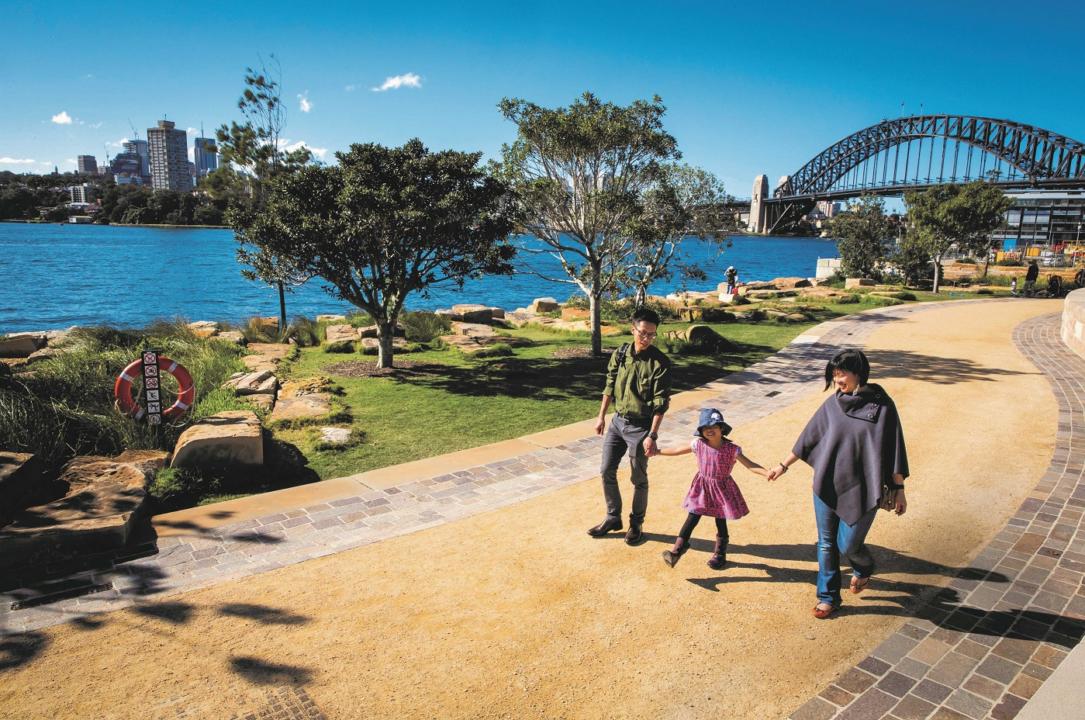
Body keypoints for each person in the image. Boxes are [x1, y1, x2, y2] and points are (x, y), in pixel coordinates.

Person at [768, 349, 908, 619]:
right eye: (834, 376)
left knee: (850, 546)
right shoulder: (833, 404)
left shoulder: (883, 407)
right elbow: (807, 439)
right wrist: (782, 466)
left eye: (841, 375)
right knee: (826, 543)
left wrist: (899, 489)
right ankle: (828, 597)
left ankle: (864, 569)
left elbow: (894, 450)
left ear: (858, 373)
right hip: (827, 484)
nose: (837, 381)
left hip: (865, 487)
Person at [587, 306, 672, 545]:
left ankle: (637, 523)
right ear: (632, 329)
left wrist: (652, 436)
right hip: (617, 423)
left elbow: (660, 404)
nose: (646, 338)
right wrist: (601, 416)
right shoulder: (621, 353)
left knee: (639, 479)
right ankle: (613, 517)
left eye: (651, 334)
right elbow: (610, 384)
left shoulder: (660, 363)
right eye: (642, 332)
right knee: (606, 470)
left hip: (641, 428)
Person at [657, 408, 769, 569]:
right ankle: (676, 551)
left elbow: (749, 465)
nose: (709, 430)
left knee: (720, 520)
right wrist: (658, 451)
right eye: (705, 427)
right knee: (693, 516)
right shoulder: (698, 444)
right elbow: (676, 450)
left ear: (721, 428)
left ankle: (720, 553)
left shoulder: (732, 450)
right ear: (701, 431)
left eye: (713, 426)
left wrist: (766, 473)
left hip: (721, 488)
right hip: (702, 487)